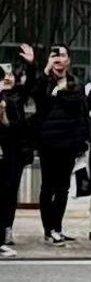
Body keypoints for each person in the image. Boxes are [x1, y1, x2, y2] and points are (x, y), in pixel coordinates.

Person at [19, 43, 89, 244]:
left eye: (62, 56)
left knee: (63, 188)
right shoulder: (45, 82)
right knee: (47, 187)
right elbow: (33, 93)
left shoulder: (76, 83)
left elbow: (81, 112)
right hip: (48, 143)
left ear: (69, 59)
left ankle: (57, 227)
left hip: (69, 143)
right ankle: (48, 229)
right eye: (54, 56)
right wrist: (43, 69)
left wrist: (83, 141)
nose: (59, 60)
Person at [0, 64, 29, 257]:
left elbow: (16, 126)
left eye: (10, 75)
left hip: (11, 153)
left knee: (7, 194)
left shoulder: (15, 98)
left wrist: (4, 117)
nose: (6, 80)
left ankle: (4, 232)